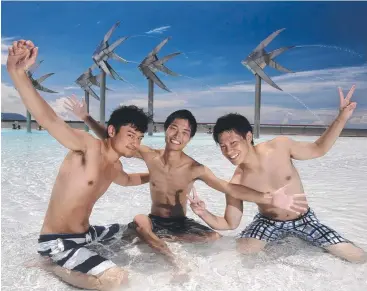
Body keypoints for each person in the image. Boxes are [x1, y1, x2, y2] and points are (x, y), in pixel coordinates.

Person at [67, 99, 307, 268]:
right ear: (165, 129)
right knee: (142, 221)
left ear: (190, 138)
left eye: (185, 132)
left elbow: (228, 187)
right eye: (173, 128)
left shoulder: (195, 168)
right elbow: (116, 141)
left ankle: (153, 239)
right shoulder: (149, 155)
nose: (177, 135)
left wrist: (268, 198)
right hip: (155, 219)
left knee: (215, 239)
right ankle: (156, 243)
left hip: (180, 224)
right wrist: (86, 118)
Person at [7, 40, 152, 290]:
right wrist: (17, 73)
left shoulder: (115, 167)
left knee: (136, 228)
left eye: (139, 138)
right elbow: (49, 120)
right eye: (130, 135)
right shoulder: (87, 146)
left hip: (86, 235)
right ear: (111, 130)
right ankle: (52, 266)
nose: (135, 142)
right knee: (115, 280)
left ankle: (74, 256)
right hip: (58, 241)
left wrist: (156, 174)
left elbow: (129, 181)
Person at [188, 85, 366, 263]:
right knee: (240, 255)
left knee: (358, 258)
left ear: (248, 137)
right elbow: (230, 223)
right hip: (267, 222)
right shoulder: (237, 181)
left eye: (234, 142)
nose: (229, 151)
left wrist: (342, 118)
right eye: (223, 147)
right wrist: (203, 213)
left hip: (305, 220)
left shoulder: (279, 146)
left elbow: (319, 149)